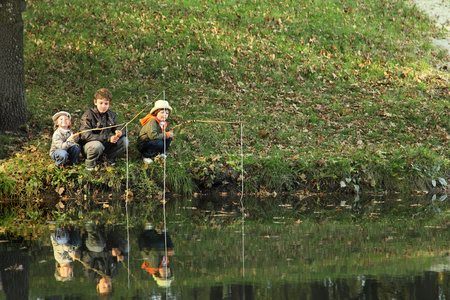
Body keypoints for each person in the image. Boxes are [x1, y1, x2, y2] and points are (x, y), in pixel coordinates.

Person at [79, 88, 129, 171]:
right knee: (97, 145)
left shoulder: (111, 115)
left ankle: (106, 160)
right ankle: (89, 165)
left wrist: (119, 132)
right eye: (101, 103)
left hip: (105, 145)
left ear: (109, 104)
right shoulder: (88, 115)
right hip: (89, 147)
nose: (103, 106)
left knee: (124, 141)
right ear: (95, 102)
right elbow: (85, 135)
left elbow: (119, 126)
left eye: (106, 104)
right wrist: (108, 138)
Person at [139, 224, 175, 288]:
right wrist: (170, 250)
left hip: (146, 241)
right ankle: (163, 231)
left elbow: (154, 252)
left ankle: (148, 229)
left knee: (160, 245)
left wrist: (166, 252)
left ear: (158, 274)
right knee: (170, 247)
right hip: (154, 242)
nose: (166, 272)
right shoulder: (164, 263)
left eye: (164, 275)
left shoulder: (154, 266)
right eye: (168, 274)